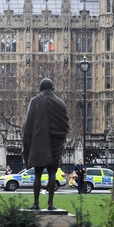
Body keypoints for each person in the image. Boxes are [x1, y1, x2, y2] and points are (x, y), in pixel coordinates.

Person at [22, 78, 69, 211]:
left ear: (40, 88)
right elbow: (65, 126)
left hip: (39, 144)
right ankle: (50, 204)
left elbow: (28, 125)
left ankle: (36, 204)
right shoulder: (61, 103)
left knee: (37, 174)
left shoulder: (35, 101)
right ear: (53, 88)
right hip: (56, 144)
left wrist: (26, 144)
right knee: (52, 174)